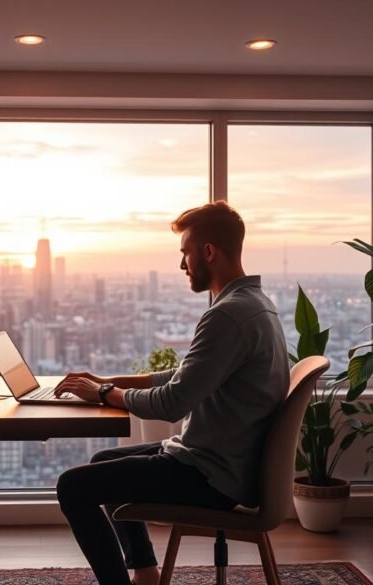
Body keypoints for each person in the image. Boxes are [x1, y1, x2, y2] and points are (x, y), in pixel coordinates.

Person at [54, 201, 290, 585]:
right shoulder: (255, 305)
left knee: (72, 486)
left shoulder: (228, 315)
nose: (183, 265)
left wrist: (104, 393)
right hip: (219, 461)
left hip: (210, 475)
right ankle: (145, 572)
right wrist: (106, 380)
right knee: (102, 460)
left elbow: (171, 402)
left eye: (185, 253)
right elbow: (184, 376)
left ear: (208, 251)